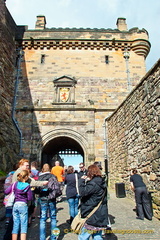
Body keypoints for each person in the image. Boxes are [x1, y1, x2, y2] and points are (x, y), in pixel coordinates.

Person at [78, 164, 109, 240]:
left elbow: (82, 192)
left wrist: (81, 181)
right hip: (100, 213)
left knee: (83, 237)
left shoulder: (93, 183)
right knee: (97, 236)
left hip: (91, 215)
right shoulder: (102, 182)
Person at [5, 170, 32, 240]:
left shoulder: (15, 184)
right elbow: (30, 198)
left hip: (15, 205)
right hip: (23, 205)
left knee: (15, 225)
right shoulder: (27, 186)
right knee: (23, 225)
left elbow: (6, 191)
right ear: (26, 177)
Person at [35, 163, 57, 240]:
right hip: (52, 199)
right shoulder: (53, 176)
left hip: (43, 199)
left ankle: (42, 238)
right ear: (50, 169)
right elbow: (57, 188)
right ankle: (54, 237)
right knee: (53, 218)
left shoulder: (40, 177)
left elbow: (37, 190)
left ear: (42, 169)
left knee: (42, 219)